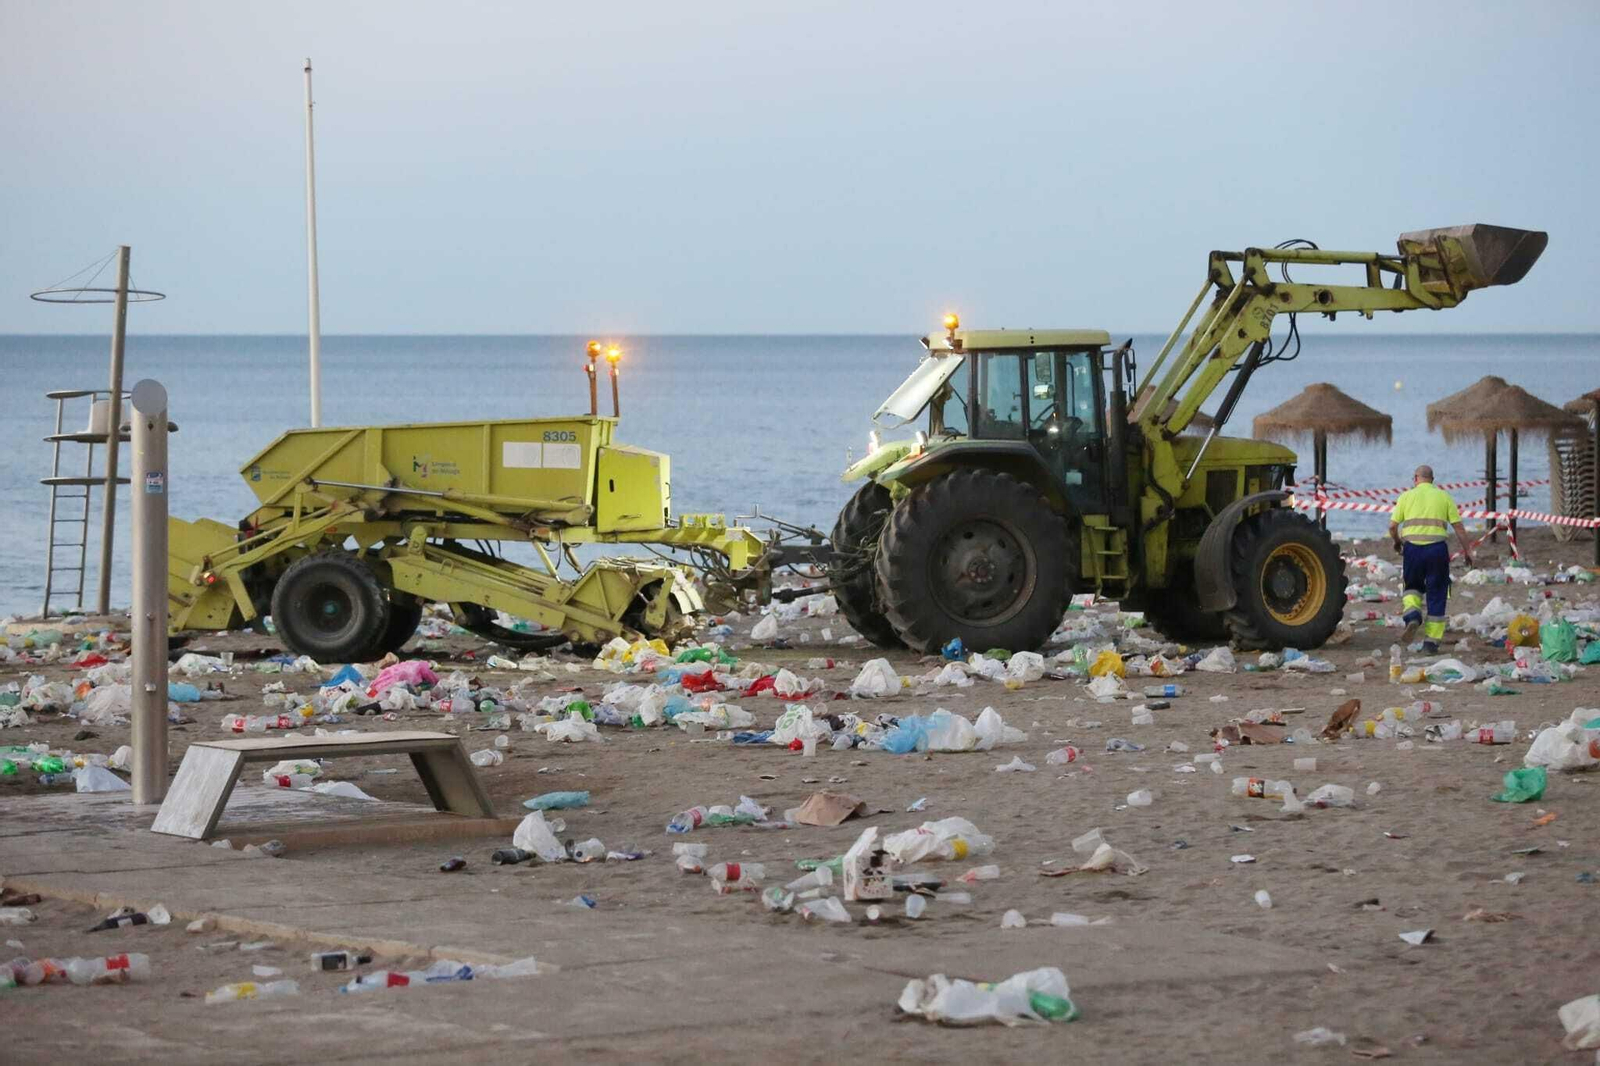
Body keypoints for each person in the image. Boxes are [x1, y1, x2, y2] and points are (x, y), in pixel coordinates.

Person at [1388, 465, 1474, 654]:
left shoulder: (1406, 497)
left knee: (1412, 586)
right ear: (1433, 479)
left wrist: (1397, 542)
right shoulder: (1444, 497)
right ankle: (1431, 643)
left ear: (1415, 478)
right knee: (1437, 592)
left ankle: (1412, 616)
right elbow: (1458, 527)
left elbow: (1393, 526)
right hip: (1437, 550)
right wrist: (1467, 552)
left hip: (1412, 549)